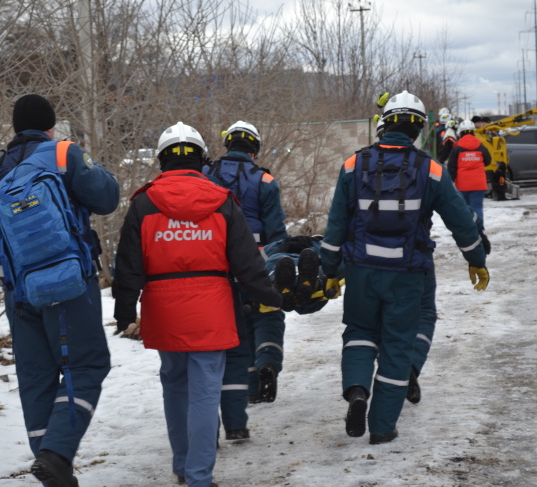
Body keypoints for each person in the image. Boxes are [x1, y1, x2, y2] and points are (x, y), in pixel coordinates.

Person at [113, 121, 281, 487]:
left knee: (174, 385)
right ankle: (199, 477)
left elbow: (127, 266)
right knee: (206, 390)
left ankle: (181, 464)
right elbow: (246, 264)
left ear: (161, 159)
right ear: (200, 157)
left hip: (163, 309)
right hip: (212, 309)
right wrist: (271, 296)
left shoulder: (143, 203)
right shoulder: (221, 200)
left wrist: (125, 312)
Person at [320, 90, 490, 445]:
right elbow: (461, 221)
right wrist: (476, 259)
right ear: (418, 129)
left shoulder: (353, 165)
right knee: (398, 346)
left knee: (359, 332)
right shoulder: (431, 169)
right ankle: (382, 427)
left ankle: (356, 393)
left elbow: (336, 224)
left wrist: (330, 270)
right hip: (407, 274)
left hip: (361, 270)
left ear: (384, 125)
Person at [0, 94, 120, 487]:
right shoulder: (63, 153)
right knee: (87, 365)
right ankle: (56, 456)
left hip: (19, 292)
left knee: (37, 379)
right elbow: (107, 199)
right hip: (71, 285)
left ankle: (52, 469)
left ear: (15, 128)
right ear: (51, 126)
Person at [203, 121, 289, 418]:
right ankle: (267, 362)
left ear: (227, 144)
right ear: (255, 149)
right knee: (267, 313)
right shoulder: (265, 181)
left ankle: (247, 386)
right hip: (257, 259)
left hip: (216, 261)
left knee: (235, 321)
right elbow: (277, 231)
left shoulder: (205, 175)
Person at [448, 119, 492, 221]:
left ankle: (468, 230)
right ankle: (479, 230)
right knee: (477, 207)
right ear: (473, 131)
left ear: (461, 132)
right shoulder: (481, 146)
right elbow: (488, 161)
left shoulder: (457, 148)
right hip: (479, 183)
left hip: (463, 184)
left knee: (465, 208)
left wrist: (451, 180)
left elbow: (452, 167)